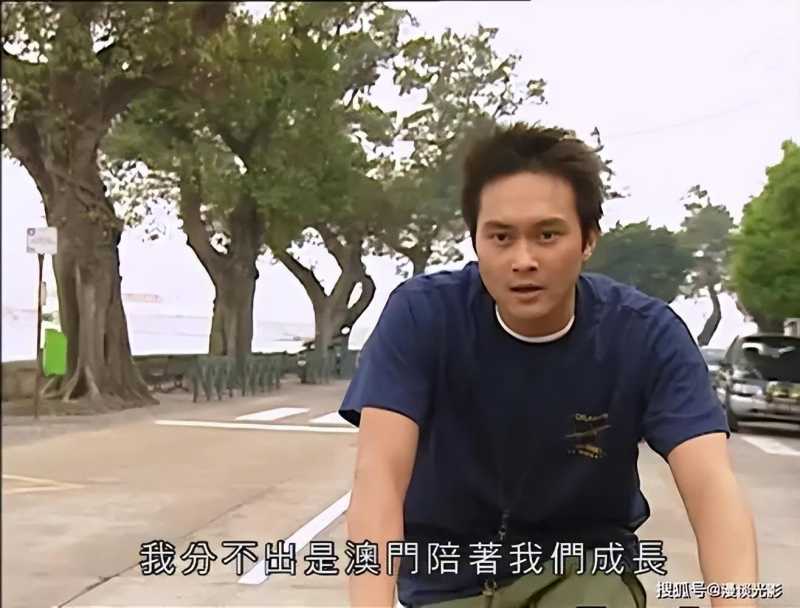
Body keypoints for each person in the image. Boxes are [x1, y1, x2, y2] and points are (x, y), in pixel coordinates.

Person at [339, 123, 758, 607]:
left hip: (583, 571)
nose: (524, 260)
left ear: (587, 239)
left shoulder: (646, 335)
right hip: (447, 579)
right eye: (501, 237)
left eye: (547, 235)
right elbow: (379, 477)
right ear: (476, 240)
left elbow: (711, 488)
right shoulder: (422, 316)